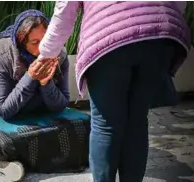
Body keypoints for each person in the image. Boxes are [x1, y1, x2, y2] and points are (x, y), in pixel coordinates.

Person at [38, 2, 191, 182]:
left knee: (105, 125)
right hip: (160, 34)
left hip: (109, 37)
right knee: (137, 120)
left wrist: (46, 53)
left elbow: (65, 12)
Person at [0, 10, 90, 181]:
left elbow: (61, 104)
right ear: (22, 42)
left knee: (89, 125)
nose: (41, 49)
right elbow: (4, 110)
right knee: (4, 141)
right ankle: (6, 160)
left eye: (45, 41)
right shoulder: (1, 54)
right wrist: (30, 78)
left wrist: (46, 84)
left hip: (41, 113)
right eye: (34, 43)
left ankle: (20, 159)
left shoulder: (58, 54)